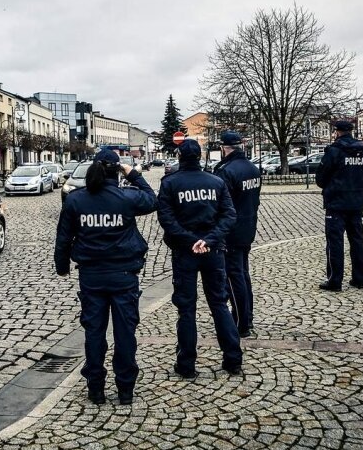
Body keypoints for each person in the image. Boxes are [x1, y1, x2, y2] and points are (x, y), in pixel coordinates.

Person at [54, 148, 157, 405]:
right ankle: (125, 390)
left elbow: (63, 237)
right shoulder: (126, 197)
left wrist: (62, 265)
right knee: (125, 334)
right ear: (116, 170)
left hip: (92, 276)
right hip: (124, 275)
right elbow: (152, 199)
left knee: (94, 333)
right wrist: (132, 173)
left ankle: (96, 389)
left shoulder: (77, 200)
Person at [157, 139, 243, 378]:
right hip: (213, 251)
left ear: (180, 156)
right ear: (200, 155)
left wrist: (190, 240)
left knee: (186, 309)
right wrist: (209, 240)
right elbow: (228, 215)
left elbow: (166, 219)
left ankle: (186, 364)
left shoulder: (170, 183)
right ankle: (233, 359)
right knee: (219, 304)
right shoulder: (216, 182)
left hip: (185, 252)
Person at [213, 131, 261, 337]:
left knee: (234, 276)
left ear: (224, 148)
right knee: (242, 273)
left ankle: (241, 322)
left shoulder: (226, 171)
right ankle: (247, 315)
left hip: (231, 230)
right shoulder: (252, 168)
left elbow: (220, 204)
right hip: (248, 225)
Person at [315, 120, 363, 291]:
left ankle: (335, 280)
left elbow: (321, 178)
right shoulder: (361, 150)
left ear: (337, 132)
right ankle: (359, 278)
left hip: (336, 203)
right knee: (357, 241)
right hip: (356, 202)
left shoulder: (334, 150)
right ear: (350, 131)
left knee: (335, 243)